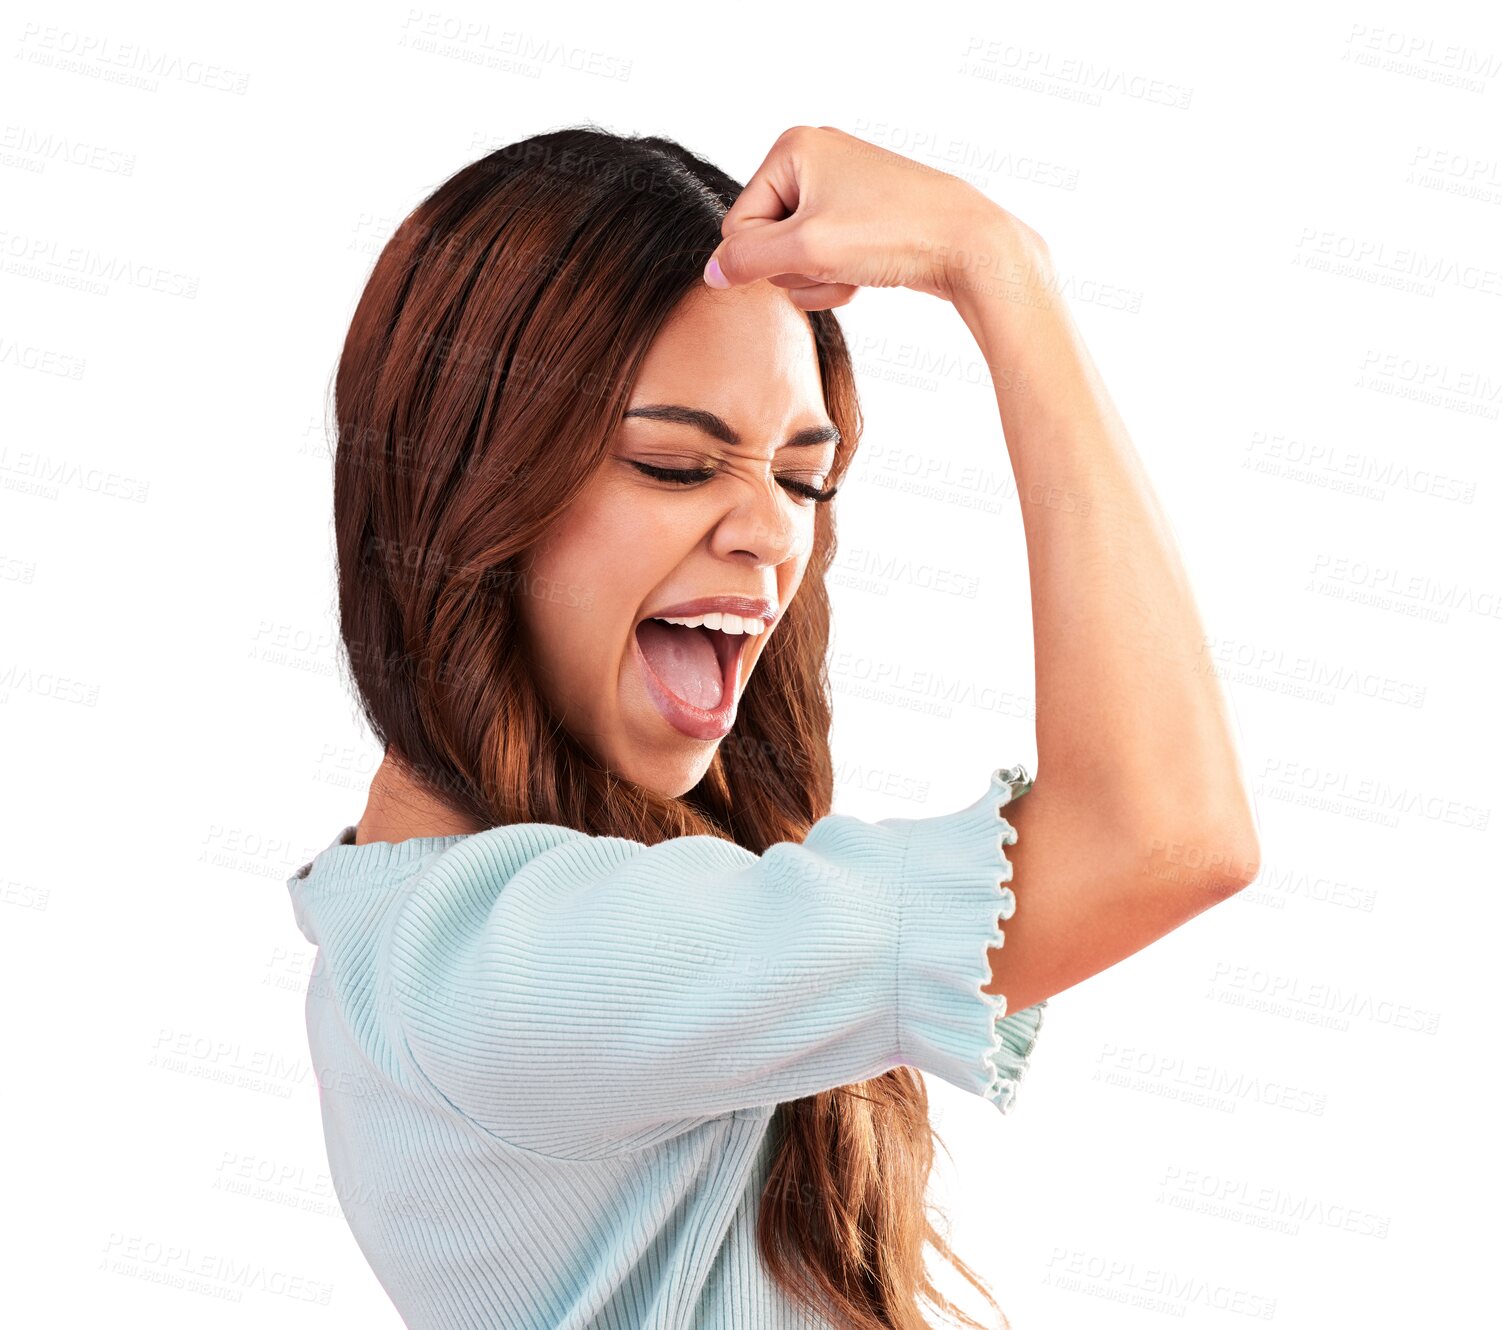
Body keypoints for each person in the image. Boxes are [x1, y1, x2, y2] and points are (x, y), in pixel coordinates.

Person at [286, 125, 1260, 1330]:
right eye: (675, 464)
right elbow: (1159, 834)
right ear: (466, 491)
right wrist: (995, 263)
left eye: (800, 477)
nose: (771, 534)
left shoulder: (436, 942)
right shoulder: (499, 967)